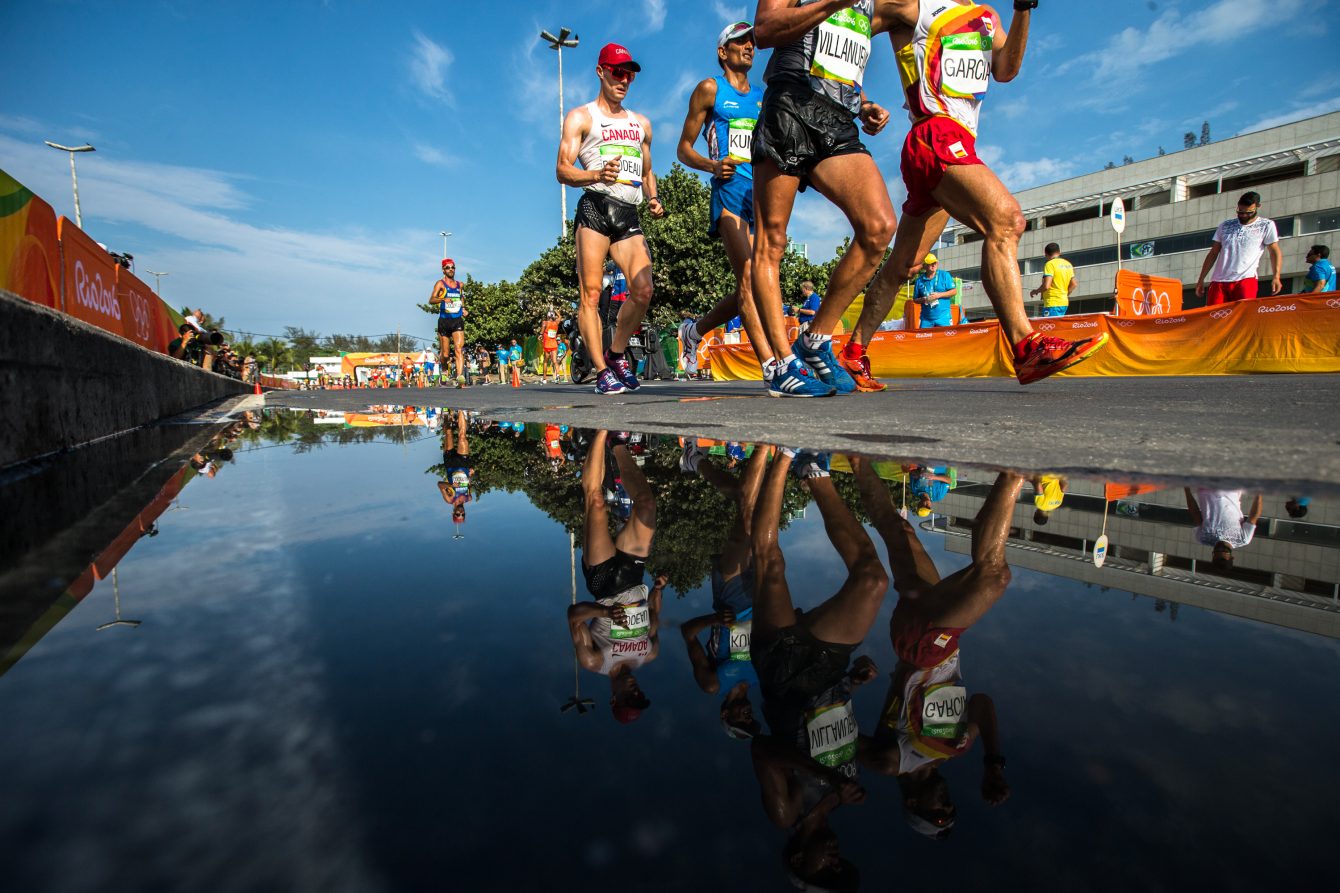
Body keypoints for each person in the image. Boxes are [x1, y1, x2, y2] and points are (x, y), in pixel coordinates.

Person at [842, 0, 1109, 388]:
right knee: (1007, 221)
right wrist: (860, 99)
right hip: (934, 134)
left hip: (957, 143)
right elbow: (847, 31)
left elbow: (1005, 70)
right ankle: (1026, 347)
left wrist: (1023, 10)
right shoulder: (914, 5)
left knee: (904, 265)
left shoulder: (986, 16)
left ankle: (853, 353)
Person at [852, 464, 1021, 839]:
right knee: (899, 532)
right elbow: (982, 704)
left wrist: (848, 685)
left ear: (913, 804)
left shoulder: (892, 761)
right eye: (952, 810)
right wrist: (992, 762)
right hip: (928, 639)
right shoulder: (955, 746)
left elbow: (831, 740)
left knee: (994, 576)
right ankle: (856, 460)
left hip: (921, 651)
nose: (947, 804)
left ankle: (1014, 472)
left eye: (938, 814)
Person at [747, 1, 904, 398]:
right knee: (772, 240)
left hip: (837, 119)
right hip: (790, 104)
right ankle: (782, 365)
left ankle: (815, 339)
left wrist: (864, 104)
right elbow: (764, 30)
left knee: (878, 227)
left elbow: (841, 53)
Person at [748, 448, 890, 888]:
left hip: (783, 675)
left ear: (797, 860)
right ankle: (813, 471)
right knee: (872, 580)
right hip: (828, 673)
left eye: (826, 872)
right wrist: (852, 685)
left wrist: (825, 775)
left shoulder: (787, 814)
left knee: (770, 564)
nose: (835, 862)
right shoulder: (845, 795)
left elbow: (763, 751)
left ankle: (782, 454)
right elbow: (826, 723)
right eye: (840, 869)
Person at [556, 42, 666, 395]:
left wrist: (653, 198)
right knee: (590, 294)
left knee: (643, 290)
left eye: (630, 75)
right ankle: (601, 371)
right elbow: (562, 170)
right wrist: (596, 174)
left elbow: (647, 171)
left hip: (628, 212)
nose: (624, 80)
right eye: (618, 72)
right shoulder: (581, 117)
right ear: (600, 72)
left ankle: (616, 354)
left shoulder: (641, 124)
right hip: (596, 208)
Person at [675, 21, 768, 380]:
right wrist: (712, 165)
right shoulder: (710, 89)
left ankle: (694, 331)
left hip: (760, 194)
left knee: (757, 281)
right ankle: (772, 364)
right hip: (729, 188)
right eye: (740, 41)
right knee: (750, 278)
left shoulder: (762, 95)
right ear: (722, 51)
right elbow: (683, 149)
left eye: (751, 42)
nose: (749, 46)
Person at [567, 430, 662, 722]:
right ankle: (619, 443)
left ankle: (600, 430)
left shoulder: (594, 661)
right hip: (635, 577)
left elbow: (573, 617)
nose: (636, 692)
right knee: (646, 505)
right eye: (640, 696)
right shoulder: (649, 654)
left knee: (596, 502)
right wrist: (658, 591)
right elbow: (654, 619)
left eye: (629, 698)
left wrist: (606, 612)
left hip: (604, 583)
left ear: (613, 698)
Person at [679, 441, 771, 739]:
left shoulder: (712, 684)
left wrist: (715, 620)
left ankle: (764, 444)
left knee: (747, 515)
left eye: (740, 723)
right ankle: (695, 461)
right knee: (753, 509)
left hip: (730, 597)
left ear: (725, 715)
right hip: (761, 596)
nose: (748, 718)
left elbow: (687, 633)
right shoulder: (761, 679)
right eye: (751, 723)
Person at [1195, 191, 1282, 304]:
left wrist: (1276, 276)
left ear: (1258, 206)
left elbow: (1274, 251)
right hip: (1219, 280)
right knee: (1214, 313)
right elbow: (1213, 253)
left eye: (1248, 212)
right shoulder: (1225, 225)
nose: (1243, 215)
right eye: (1240, 211)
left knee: (1243, 313)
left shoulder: (1266, 225)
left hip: (1246, 279)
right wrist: (1201, 279)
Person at [1184, 488, 1263, 571]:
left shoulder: (1202, 538)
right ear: (1232, 557)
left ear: (1213, 555)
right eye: (1224, 551)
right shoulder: (1243, 539)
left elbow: (1195, 513)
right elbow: (1254, 516)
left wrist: (1187, 490)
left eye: (1217, 551)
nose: (1220, 548)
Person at [428, 259, 469, 385]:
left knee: (459, 349)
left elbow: (461, 297)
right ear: (443, 270)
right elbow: (431, 299)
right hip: (444, 321)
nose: (451, 269)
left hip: (457, 320)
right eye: (447, 267)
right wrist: (443, 299)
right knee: (445, 354)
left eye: (452, 267)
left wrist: (463, 308)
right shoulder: (440, 284)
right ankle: (444, 370)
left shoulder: (460, 285)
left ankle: (460, 378)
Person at [438, 410, 472, 530]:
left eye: (458, 515)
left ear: (453, 513)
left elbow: (440, 485)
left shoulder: (450, 499)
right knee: (462, 437)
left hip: (450, 464)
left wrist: (451, 485)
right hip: (463, 465)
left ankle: (446, 414)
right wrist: (471, 475)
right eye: (463, 515)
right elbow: (468, 484)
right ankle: (461, 409)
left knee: (448, 432)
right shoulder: (469, 498)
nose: (461, 513)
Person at [1029, 242, 1076, 317]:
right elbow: (1074, 284)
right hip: (1064, 302)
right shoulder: (1068, 264)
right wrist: (1064, 295)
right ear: (1059, 252)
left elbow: (1046, 286)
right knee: (1058, 324)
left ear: (1046, 254)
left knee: (1049, 324)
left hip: (1052, 303)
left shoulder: (1050, 264)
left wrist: (1036, 291)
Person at [911, 253, 956, 327]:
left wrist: (938, 295)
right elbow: (915, 299)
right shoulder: (919, 280)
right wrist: (925, 299)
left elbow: (954, 291)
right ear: (925, 266)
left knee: (946, 335)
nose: (933, 265)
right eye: (931, 263)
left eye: (935, 263)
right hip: (926, 319)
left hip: (944, 318)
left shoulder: (944, 275)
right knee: (923, 335)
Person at [540, 311, 562, 382]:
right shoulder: (556, 323)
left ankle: (544, 378)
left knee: (545, 361)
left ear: (547, 316)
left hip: (547, 345)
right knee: (555, 361)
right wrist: (556, 312)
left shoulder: (545, 322)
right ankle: (557, 375)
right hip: (554, 344)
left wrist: (540, 334)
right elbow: (560, 317)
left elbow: (542, 330)